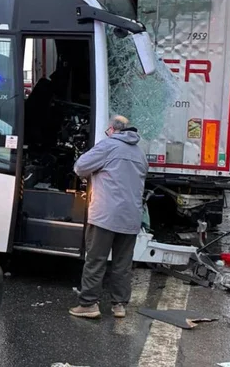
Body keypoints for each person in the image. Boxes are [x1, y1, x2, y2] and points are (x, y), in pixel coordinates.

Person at [69, 115, 148, 319]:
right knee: (122, 264)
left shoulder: (108, 145)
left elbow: (80, 167)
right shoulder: (140, 153)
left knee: (96, 260)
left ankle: (89, 304)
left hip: (105, 214)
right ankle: (119, 305)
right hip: (131, 216)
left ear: (112, 130)